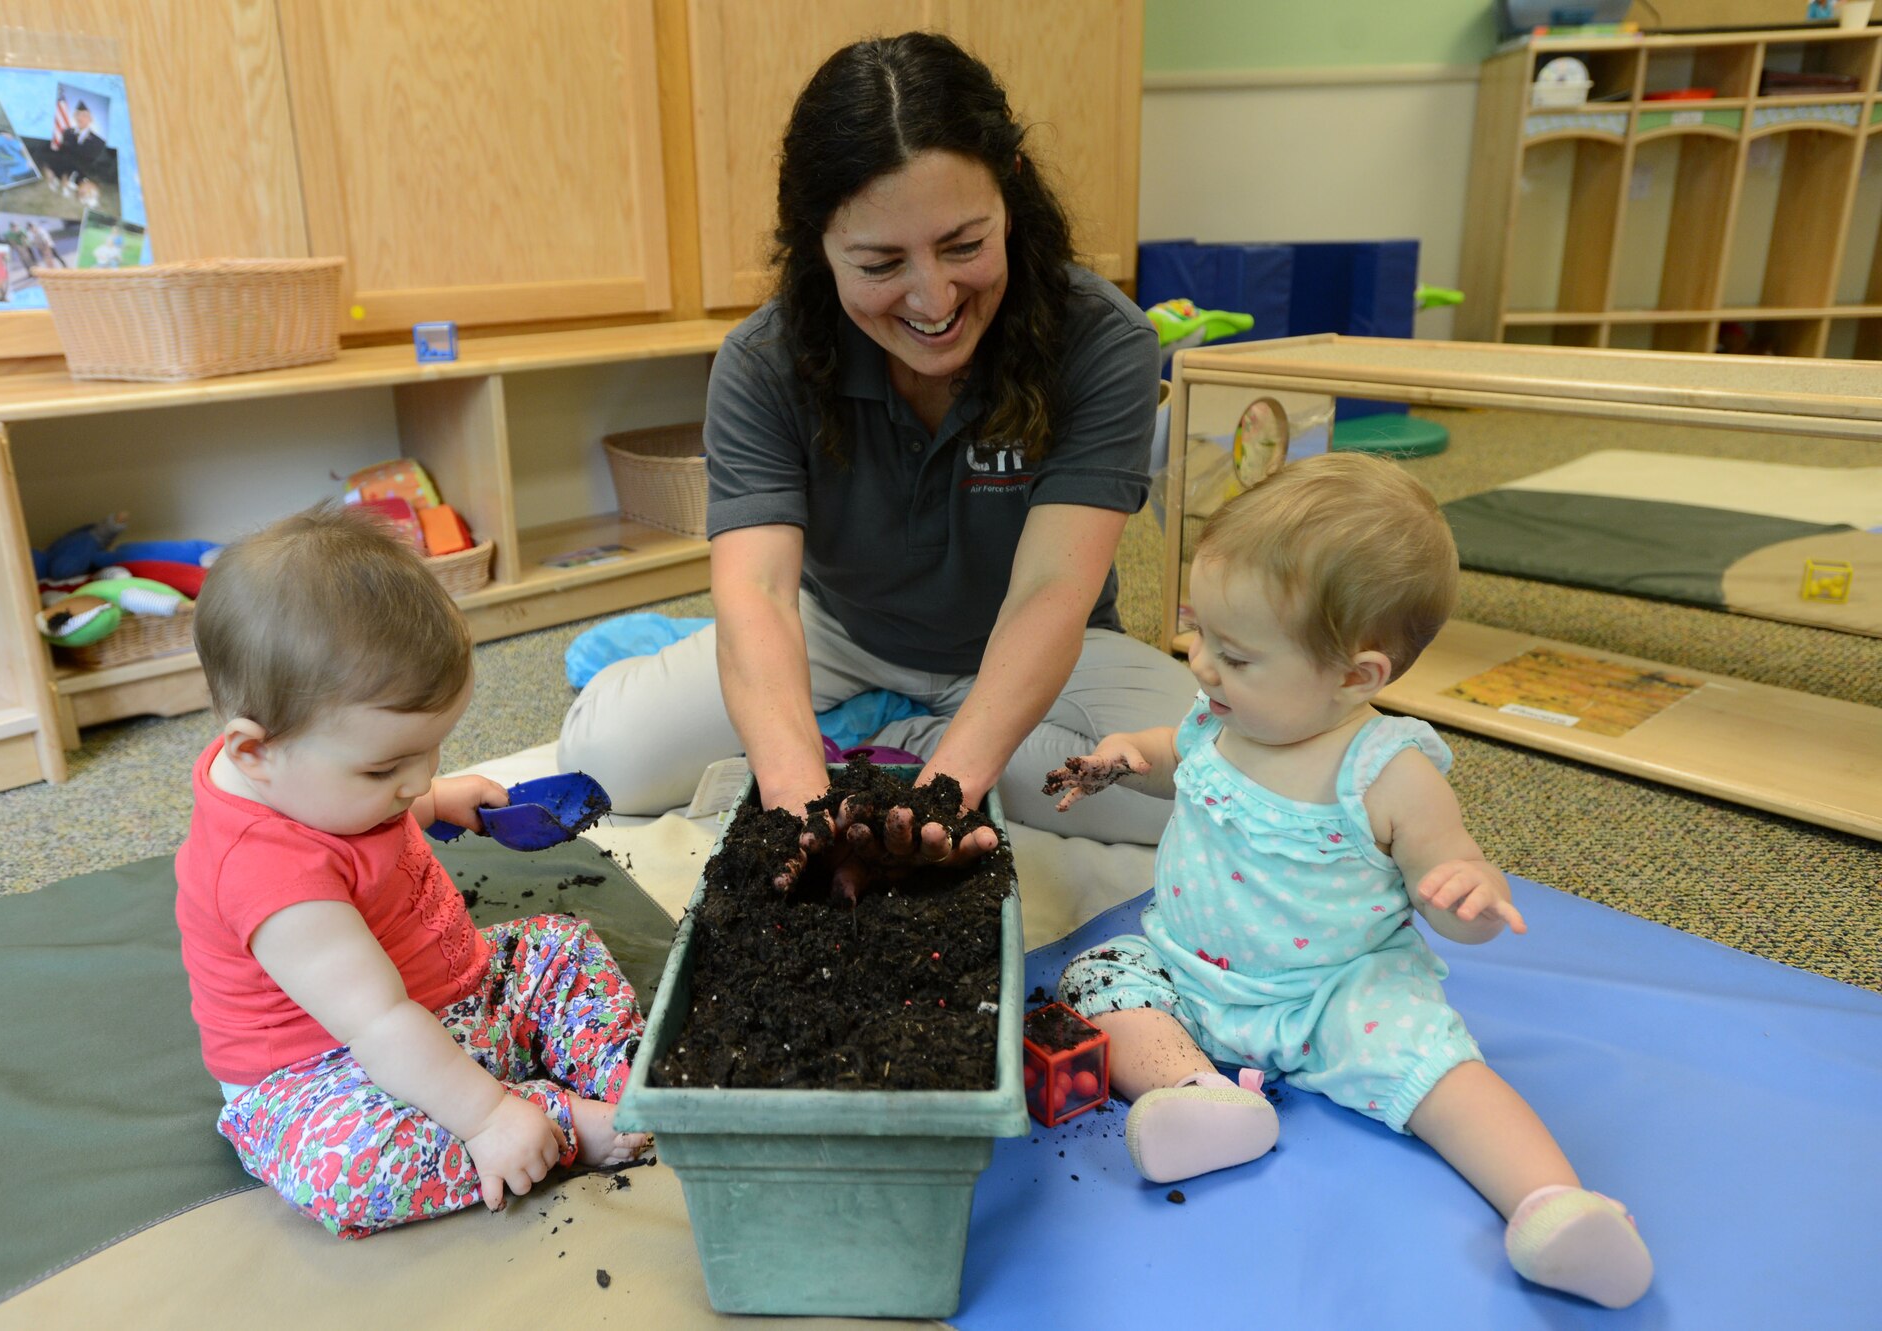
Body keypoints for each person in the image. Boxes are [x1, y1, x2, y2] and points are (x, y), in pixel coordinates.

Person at [559, 32, 1194, 891]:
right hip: (843, 633)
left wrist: (940, 799)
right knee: (605, 759)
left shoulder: (1103, 341)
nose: (933, 301)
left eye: (964, 246)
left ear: (1011, 187)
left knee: (1223, 791)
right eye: (881, 264)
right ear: (817, 246)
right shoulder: (763, 359)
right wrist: (799, 811)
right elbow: (758, 591)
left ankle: (900, 740)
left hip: (1046, 642)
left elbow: (1051, 592)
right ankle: (859, 724)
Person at [1046, 452, 1654, 1309]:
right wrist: (1122, 759)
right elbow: (1166, 753)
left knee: (1443, 1074)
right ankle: (1204, 1098)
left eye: (1238, 654)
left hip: (1337, 990)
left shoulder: (1388, 771)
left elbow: (1460, 879)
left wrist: (1469, 898)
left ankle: (1556, 1207)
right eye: (1201, 634)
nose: (1202, 664)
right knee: (1098, 979)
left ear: (1356, 675)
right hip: (1188, 965)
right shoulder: (1217, 718)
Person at [176, 503, 650, 1238]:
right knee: (350, 1172)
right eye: (387, 766)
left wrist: (437, 798)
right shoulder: (268, 877)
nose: (412, 780)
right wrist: (489, 1115)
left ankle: (632, 1079)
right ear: (252, 753)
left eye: (429, 753)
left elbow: (393, 793)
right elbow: (379, 1021)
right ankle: (549, 1120)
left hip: (452, 995)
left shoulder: (317, 773)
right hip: (332, 1070)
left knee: (561, 945)